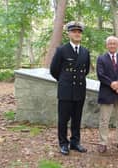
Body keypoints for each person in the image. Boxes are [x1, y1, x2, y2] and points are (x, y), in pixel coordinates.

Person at [50, 21, 90, 155]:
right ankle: (63, 143)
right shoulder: (61, 50)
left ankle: (75, 142)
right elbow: (54, 70)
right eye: (74, 31)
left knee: (77, 119)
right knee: (63, 119)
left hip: (79, 90)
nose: (77, 34)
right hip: (65, 91)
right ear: (69, 34)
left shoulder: (85, 51)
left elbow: (86, 71)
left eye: (79, 32)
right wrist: (64, 82)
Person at [97, 36, 118, 153]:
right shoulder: (101, 58)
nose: (112, 45)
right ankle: (103, 143)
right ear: (107, 45)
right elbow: (100, 75)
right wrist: (112, 84)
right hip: (106, 93)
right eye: (110, 43)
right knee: (104, 120)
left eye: (114, 43)